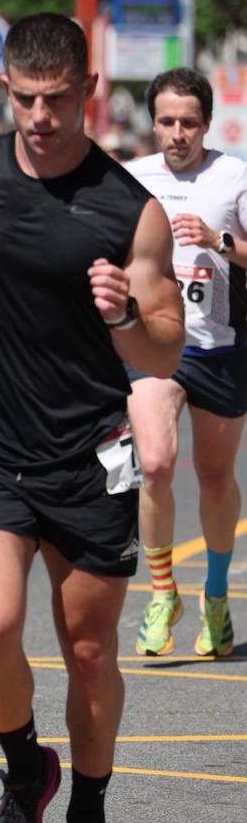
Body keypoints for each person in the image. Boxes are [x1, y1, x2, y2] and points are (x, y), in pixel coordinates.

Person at [0, 13, 183, 823]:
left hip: (90, 453)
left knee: (89, 652)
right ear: (5, 90)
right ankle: (26, 768)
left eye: (57, 99)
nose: (41, 118)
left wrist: (126, 317)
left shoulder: (132, 209)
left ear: (88, 89)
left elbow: (165, 347)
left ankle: (89, 806)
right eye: (25, 99)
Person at [124, 67, 247, 658]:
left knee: (217, 477)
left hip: (219, 346)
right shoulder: (129, 178)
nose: (178, 134)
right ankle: (162, 592)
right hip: (154, 345)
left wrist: (221, 243)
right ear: (153, 122)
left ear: (206, 123)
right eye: (167, 122)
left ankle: (217, 598)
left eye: (189, 123)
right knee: (154, 462)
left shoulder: (233, 177)